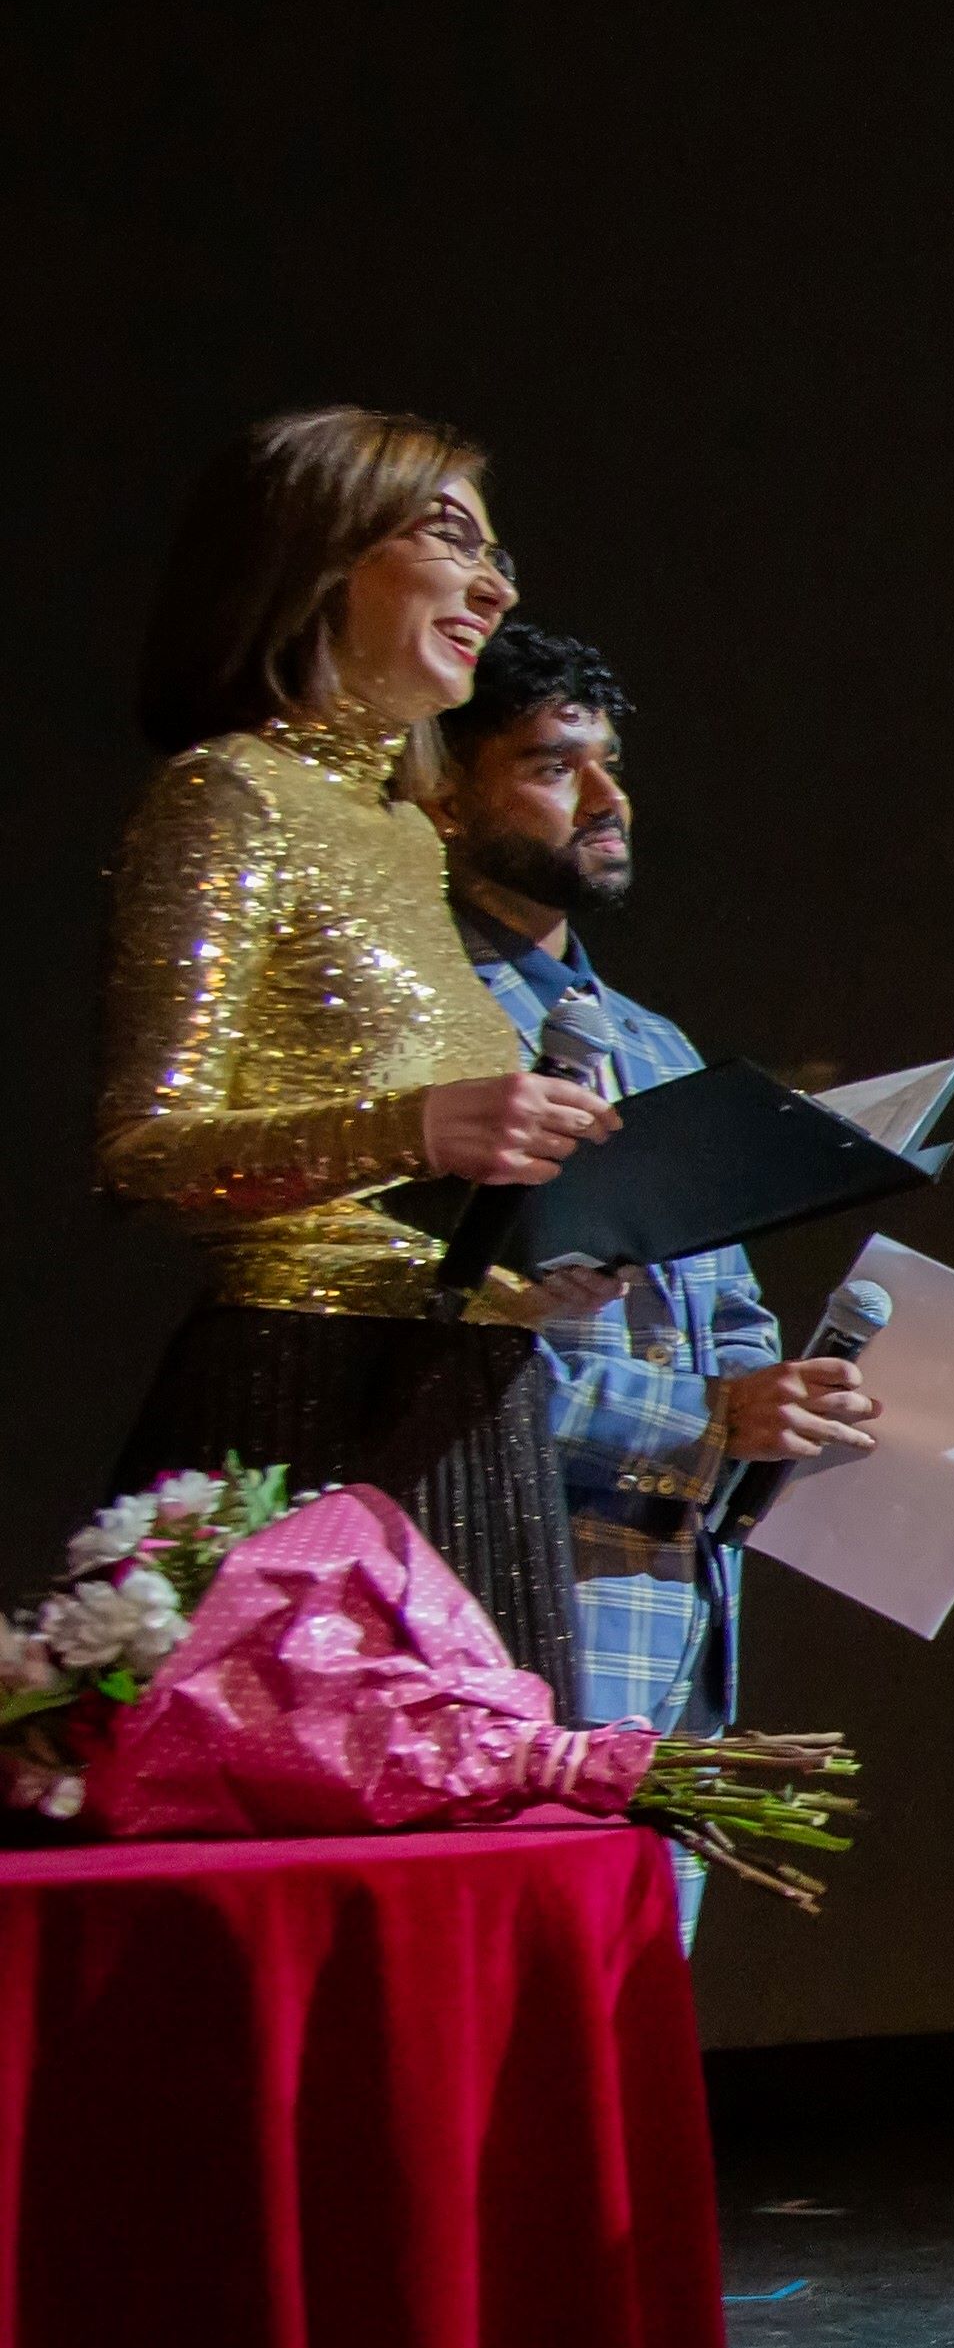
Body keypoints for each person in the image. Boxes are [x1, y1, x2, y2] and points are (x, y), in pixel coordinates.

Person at [97, 409, 618, 1704]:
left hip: (466, 1406)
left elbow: (415, 1184)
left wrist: (526, 1268)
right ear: (314, 557)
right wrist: (417, 1129)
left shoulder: (400, 833)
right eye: (450, 539)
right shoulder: (232, 793)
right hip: (300, 1401)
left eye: (498, 554)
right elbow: (143, 1153)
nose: (495, 588)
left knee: (499, 1808)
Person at [426, 623, 882, 1925]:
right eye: (553, 766)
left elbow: (725, 1309)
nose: (606, 798)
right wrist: (703, 1421)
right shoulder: (428, 1023)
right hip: (505, 1606)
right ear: (444, 795)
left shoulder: (652, 1040)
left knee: (631, 2010)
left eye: (610, 763)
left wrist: (780, 1399)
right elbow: (419, 1347)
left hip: (671, 1613)